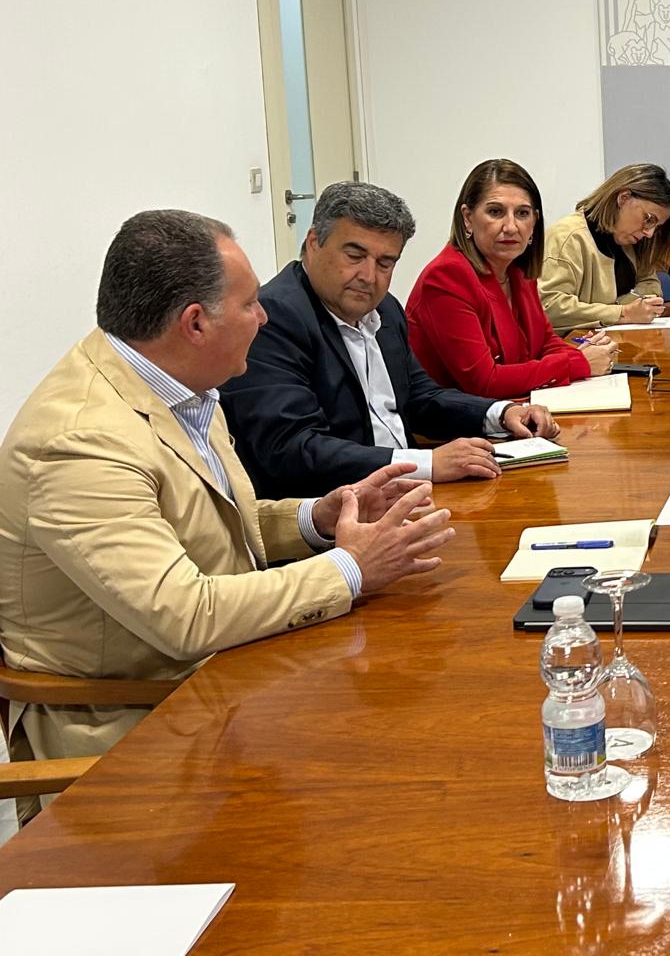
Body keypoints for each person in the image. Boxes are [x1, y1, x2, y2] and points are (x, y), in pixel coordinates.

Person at [0, 210, 454, 807]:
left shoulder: (181, 384)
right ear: (194, 323)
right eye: (249, 305)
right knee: (400, 776)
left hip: (226, 681)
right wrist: (353, 568)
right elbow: (185, 615)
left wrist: (318, 518)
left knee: (415, 733)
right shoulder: (79, 443)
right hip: (135, 737)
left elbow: (212, 526)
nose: (264, 317)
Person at [221, 183, 558, 500]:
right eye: (354, 256)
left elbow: (420, 397)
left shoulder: (384, 309)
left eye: (385, 263)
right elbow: (292, 448)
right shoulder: (274, 319)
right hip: (335, 512)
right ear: (313, 242)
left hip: (407, 495)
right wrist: (426, 464)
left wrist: (502, 412)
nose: (369, 276)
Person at [406, 159, 619, 397]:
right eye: (495, 212)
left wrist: (587, 354)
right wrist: (579, 363)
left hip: (514, 407)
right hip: (456, 418)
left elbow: (545, 343)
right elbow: (485, 382)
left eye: (522, 214)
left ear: (534, 221)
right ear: (467, 217)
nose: (511, 226)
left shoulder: (517, 270)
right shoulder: (446, 277)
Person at [540, 163, 670, 332]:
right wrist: (622, 313)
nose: (650, 233)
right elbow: (549, 307)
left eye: (656, 226)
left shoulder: (634, 240)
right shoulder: (567, 237)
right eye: (649, 219)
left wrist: (623, 309)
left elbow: (649, 284)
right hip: (572, 343)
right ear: (623, 198)